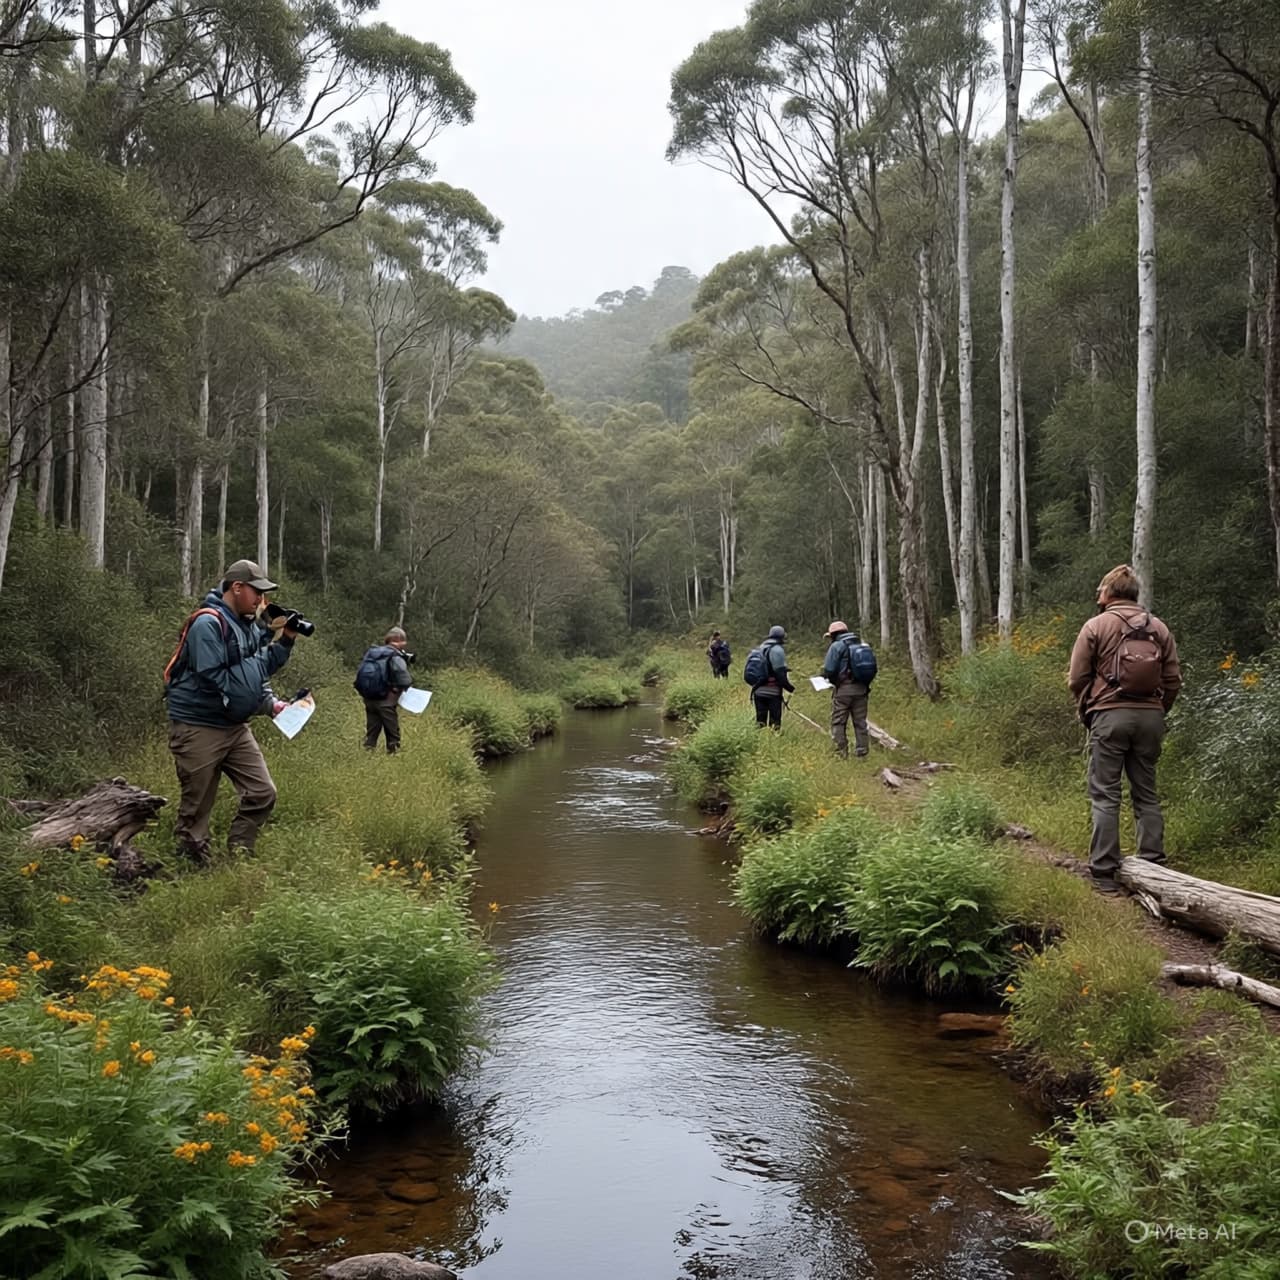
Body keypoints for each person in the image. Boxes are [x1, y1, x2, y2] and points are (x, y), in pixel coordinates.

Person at [164, 558, 300, 865]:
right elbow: (219, 678)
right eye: (257, 592)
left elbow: (255, 672)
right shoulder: (207, 624)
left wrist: (285, 641)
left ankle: (240, 852)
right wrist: (261, 682)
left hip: (235, 726)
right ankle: (192, 865)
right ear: (236, 588)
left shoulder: (248, 626)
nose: (261, 600)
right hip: (198, 726)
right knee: (196, 806)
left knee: (262, 792)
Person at [1067, 564, 1182, 894]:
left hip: (1109, 717)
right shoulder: (1158, 627)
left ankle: (1104, 873)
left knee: (1105, 793)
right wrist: (1158, 709)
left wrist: (1090, 705)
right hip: (1150, 718)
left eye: (1100, 591)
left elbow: (1077, 678)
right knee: (1146, 793)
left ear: (1109, 593)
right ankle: (1153, 866)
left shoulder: (1096, 625)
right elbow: (1173, 680)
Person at [359, 627, 414, 754]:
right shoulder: (394, 656)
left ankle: (367, 755)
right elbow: (404, 679)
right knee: (392, 733)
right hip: (386, 701)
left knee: (371, 732)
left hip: (370, 699)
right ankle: (394, 758)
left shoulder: (372, 653)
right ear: (400, 640)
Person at [822, 620, 870, 758]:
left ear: (833, 635)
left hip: (843, 690)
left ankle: (840, 753)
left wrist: (831, 680)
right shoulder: (862, 644)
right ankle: (862, 753)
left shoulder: (837, 646)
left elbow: (829, 669)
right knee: (860, 722)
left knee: (838, 722)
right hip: (862, 690)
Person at [750, 624, 794, 729]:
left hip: (758, 690)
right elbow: (779, 674)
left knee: (760, 722)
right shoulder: (777, 650)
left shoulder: (761, 648)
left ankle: (759, 743)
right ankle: (774, 741)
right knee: (775, 723)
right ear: (782, 637)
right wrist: (789, 687)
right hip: (773, 692)